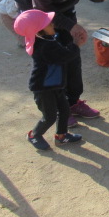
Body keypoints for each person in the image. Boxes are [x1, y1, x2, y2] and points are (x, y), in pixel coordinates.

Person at [14, 0, 109, 128]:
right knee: (50, 59)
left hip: (63, 7)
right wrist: (70, 25)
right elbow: (41, 8)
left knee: (72, 55)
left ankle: (72, 102)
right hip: (36, 11)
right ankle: (56, 108)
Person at [13, 9, 82, 150]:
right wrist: (75, 44)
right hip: (43, 89)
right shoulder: (43, 46)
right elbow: (64, 56)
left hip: (56, 85)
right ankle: (34, 135)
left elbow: (61, 52)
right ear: (39, 30)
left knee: (64, 110)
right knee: (49, 116)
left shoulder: (48, 39)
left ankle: (61, 135)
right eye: (49, 24)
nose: (53, 25)